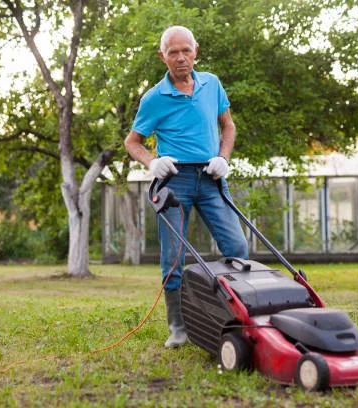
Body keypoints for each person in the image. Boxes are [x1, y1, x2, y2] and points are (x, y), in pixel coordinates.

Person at [124, 25, 249, 348]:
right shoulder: (153, 98)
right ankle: (178, 328)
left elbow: (229, 125)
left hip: (211, 178)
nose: (180, 58)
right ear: (162, 56)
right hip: (173, 181)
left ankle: (233, 316)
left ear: (196, 51)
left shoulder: (212, 84)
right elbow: (132, 142)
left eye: (186, 51)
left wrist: (224, 157)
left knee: (236, 247)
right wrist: (152, 162)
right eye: (173, 52)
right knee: (173, 259)